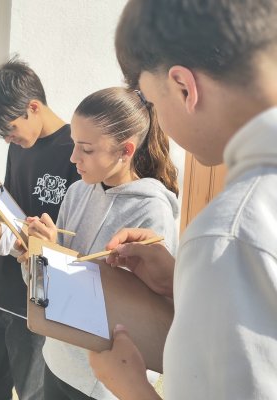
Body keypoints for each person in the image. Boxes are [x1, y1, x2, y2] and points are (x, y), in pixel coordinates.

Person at [89, 1, 277, 399]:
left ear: (183, 87)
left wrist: (131, 387)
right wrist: (180, 282)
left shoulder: (228, 235)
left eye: (153, 104)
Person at [25, 86, 179, 399]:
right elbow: (44, 292)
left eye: (87, 149)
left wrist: (55, 256)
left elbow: (135, 317)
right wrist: (35, 254)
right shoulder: (77, 191)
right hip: (56, 360)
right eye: (74, 144)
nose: (73, 158)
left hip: (102, 382)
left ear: (126, 150)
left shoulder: (151, 210)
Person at [0, 58, 80, 400]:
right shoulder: (19, 147)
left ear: (33, 107)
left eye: (9, 129)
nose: (7, 139)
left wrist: (2, 238)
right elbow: (15, 211)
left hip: (36, 305)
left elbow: (69, 242)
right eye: (1, 135)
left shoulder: (77, 151)